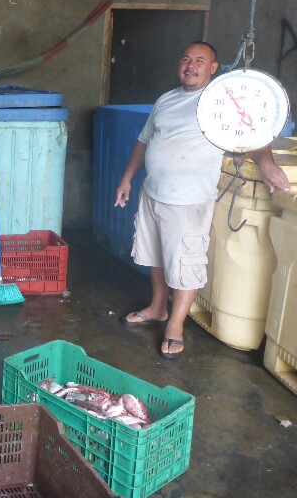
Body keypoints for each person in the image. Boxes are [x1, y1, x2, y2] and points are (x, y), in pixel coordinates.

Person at [114, 41, 290, 359]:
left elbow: (251, 134)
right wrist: (127, 178)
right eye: (185, 59)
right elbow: (144, 141)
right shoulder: (166, 100)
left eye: (199, 60)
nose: (190, 65)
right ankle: (158, 308)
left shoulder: (220, 101)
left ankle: (175, 326)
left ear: (213, 68)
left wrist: (266, 163)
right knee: (155, 255)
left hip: (189, 200)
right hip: (153, 192)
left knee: (187, 263)